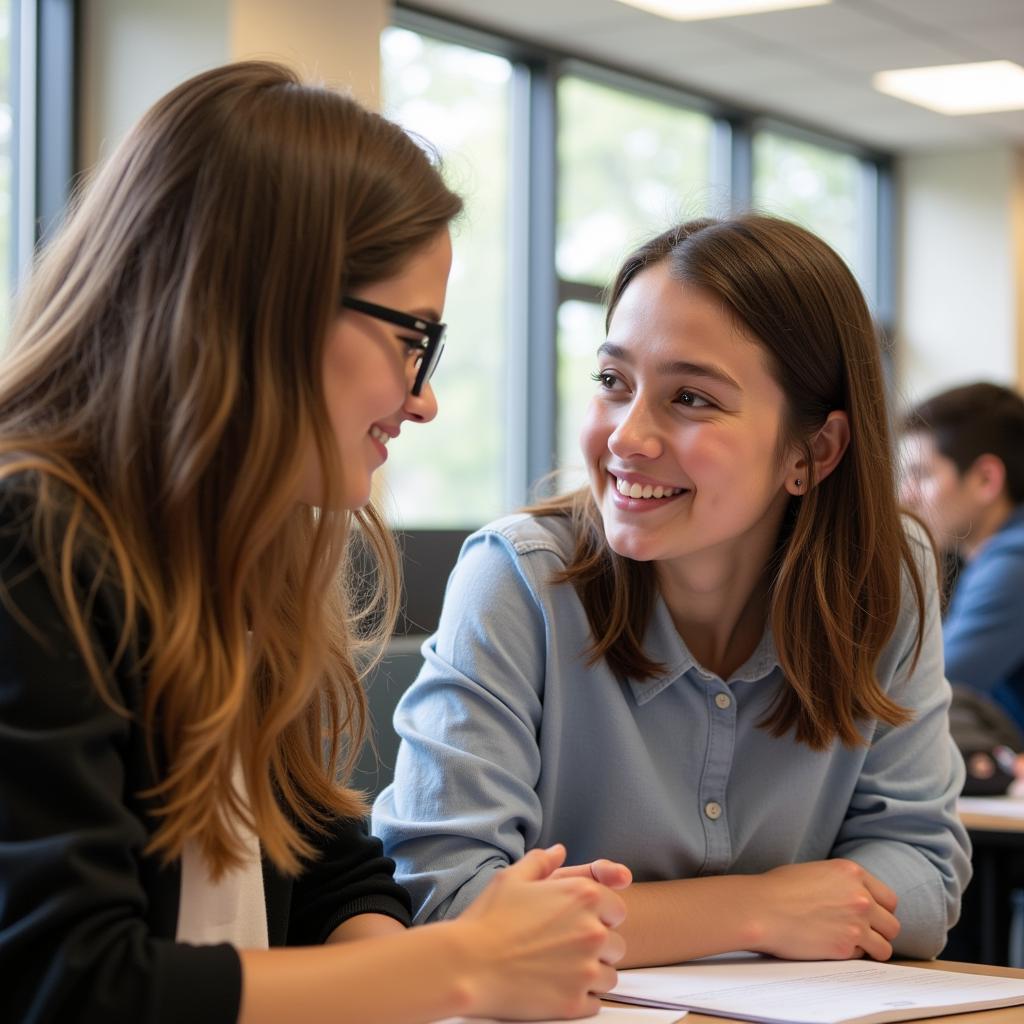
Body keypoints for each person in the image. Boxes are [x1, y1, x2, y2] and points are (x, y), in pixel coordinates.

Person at [0, 61, 629, 1024]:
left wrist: (448, 966)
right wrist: (459, 968)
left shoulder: (236, 558)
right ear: (270, 307)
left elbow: (324, 868)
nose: (423, 398)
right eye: (412, 337)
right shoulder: (32, 542)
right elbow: (72, 984)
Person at [373, 214, 971, 967]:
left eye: (692, 398)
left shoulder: (883, 574)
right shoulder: (519, 579)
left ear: (814, 450)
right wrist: (756, 910)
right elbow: (448, 901)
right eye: (613, 382)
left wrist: (602, 920)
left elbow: (925, 877)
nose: (627, 437)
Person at [899, 382, 1024, 772]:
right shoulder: (981, 559)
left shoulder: (1013, 561)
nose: (905, 495)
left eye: (921, 474)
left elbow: (920, 697)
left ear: (986, 479)